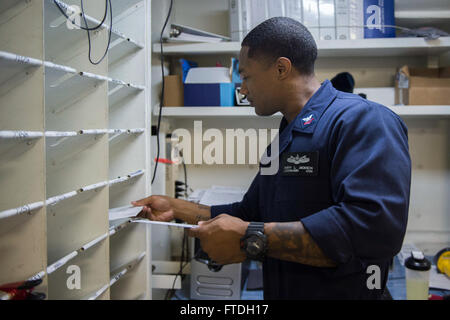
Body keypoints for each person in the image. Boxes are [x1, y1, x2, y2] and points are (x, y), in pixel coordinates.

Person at [133, 17, 411, 299]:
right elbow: (249, 213)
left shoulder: (363, 120)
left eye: (246, 76)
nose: (241, 89)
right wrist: (175, 208)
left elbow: (373, 230)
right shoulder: (288, 137)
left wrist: (250, 238)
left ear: (281, 68)